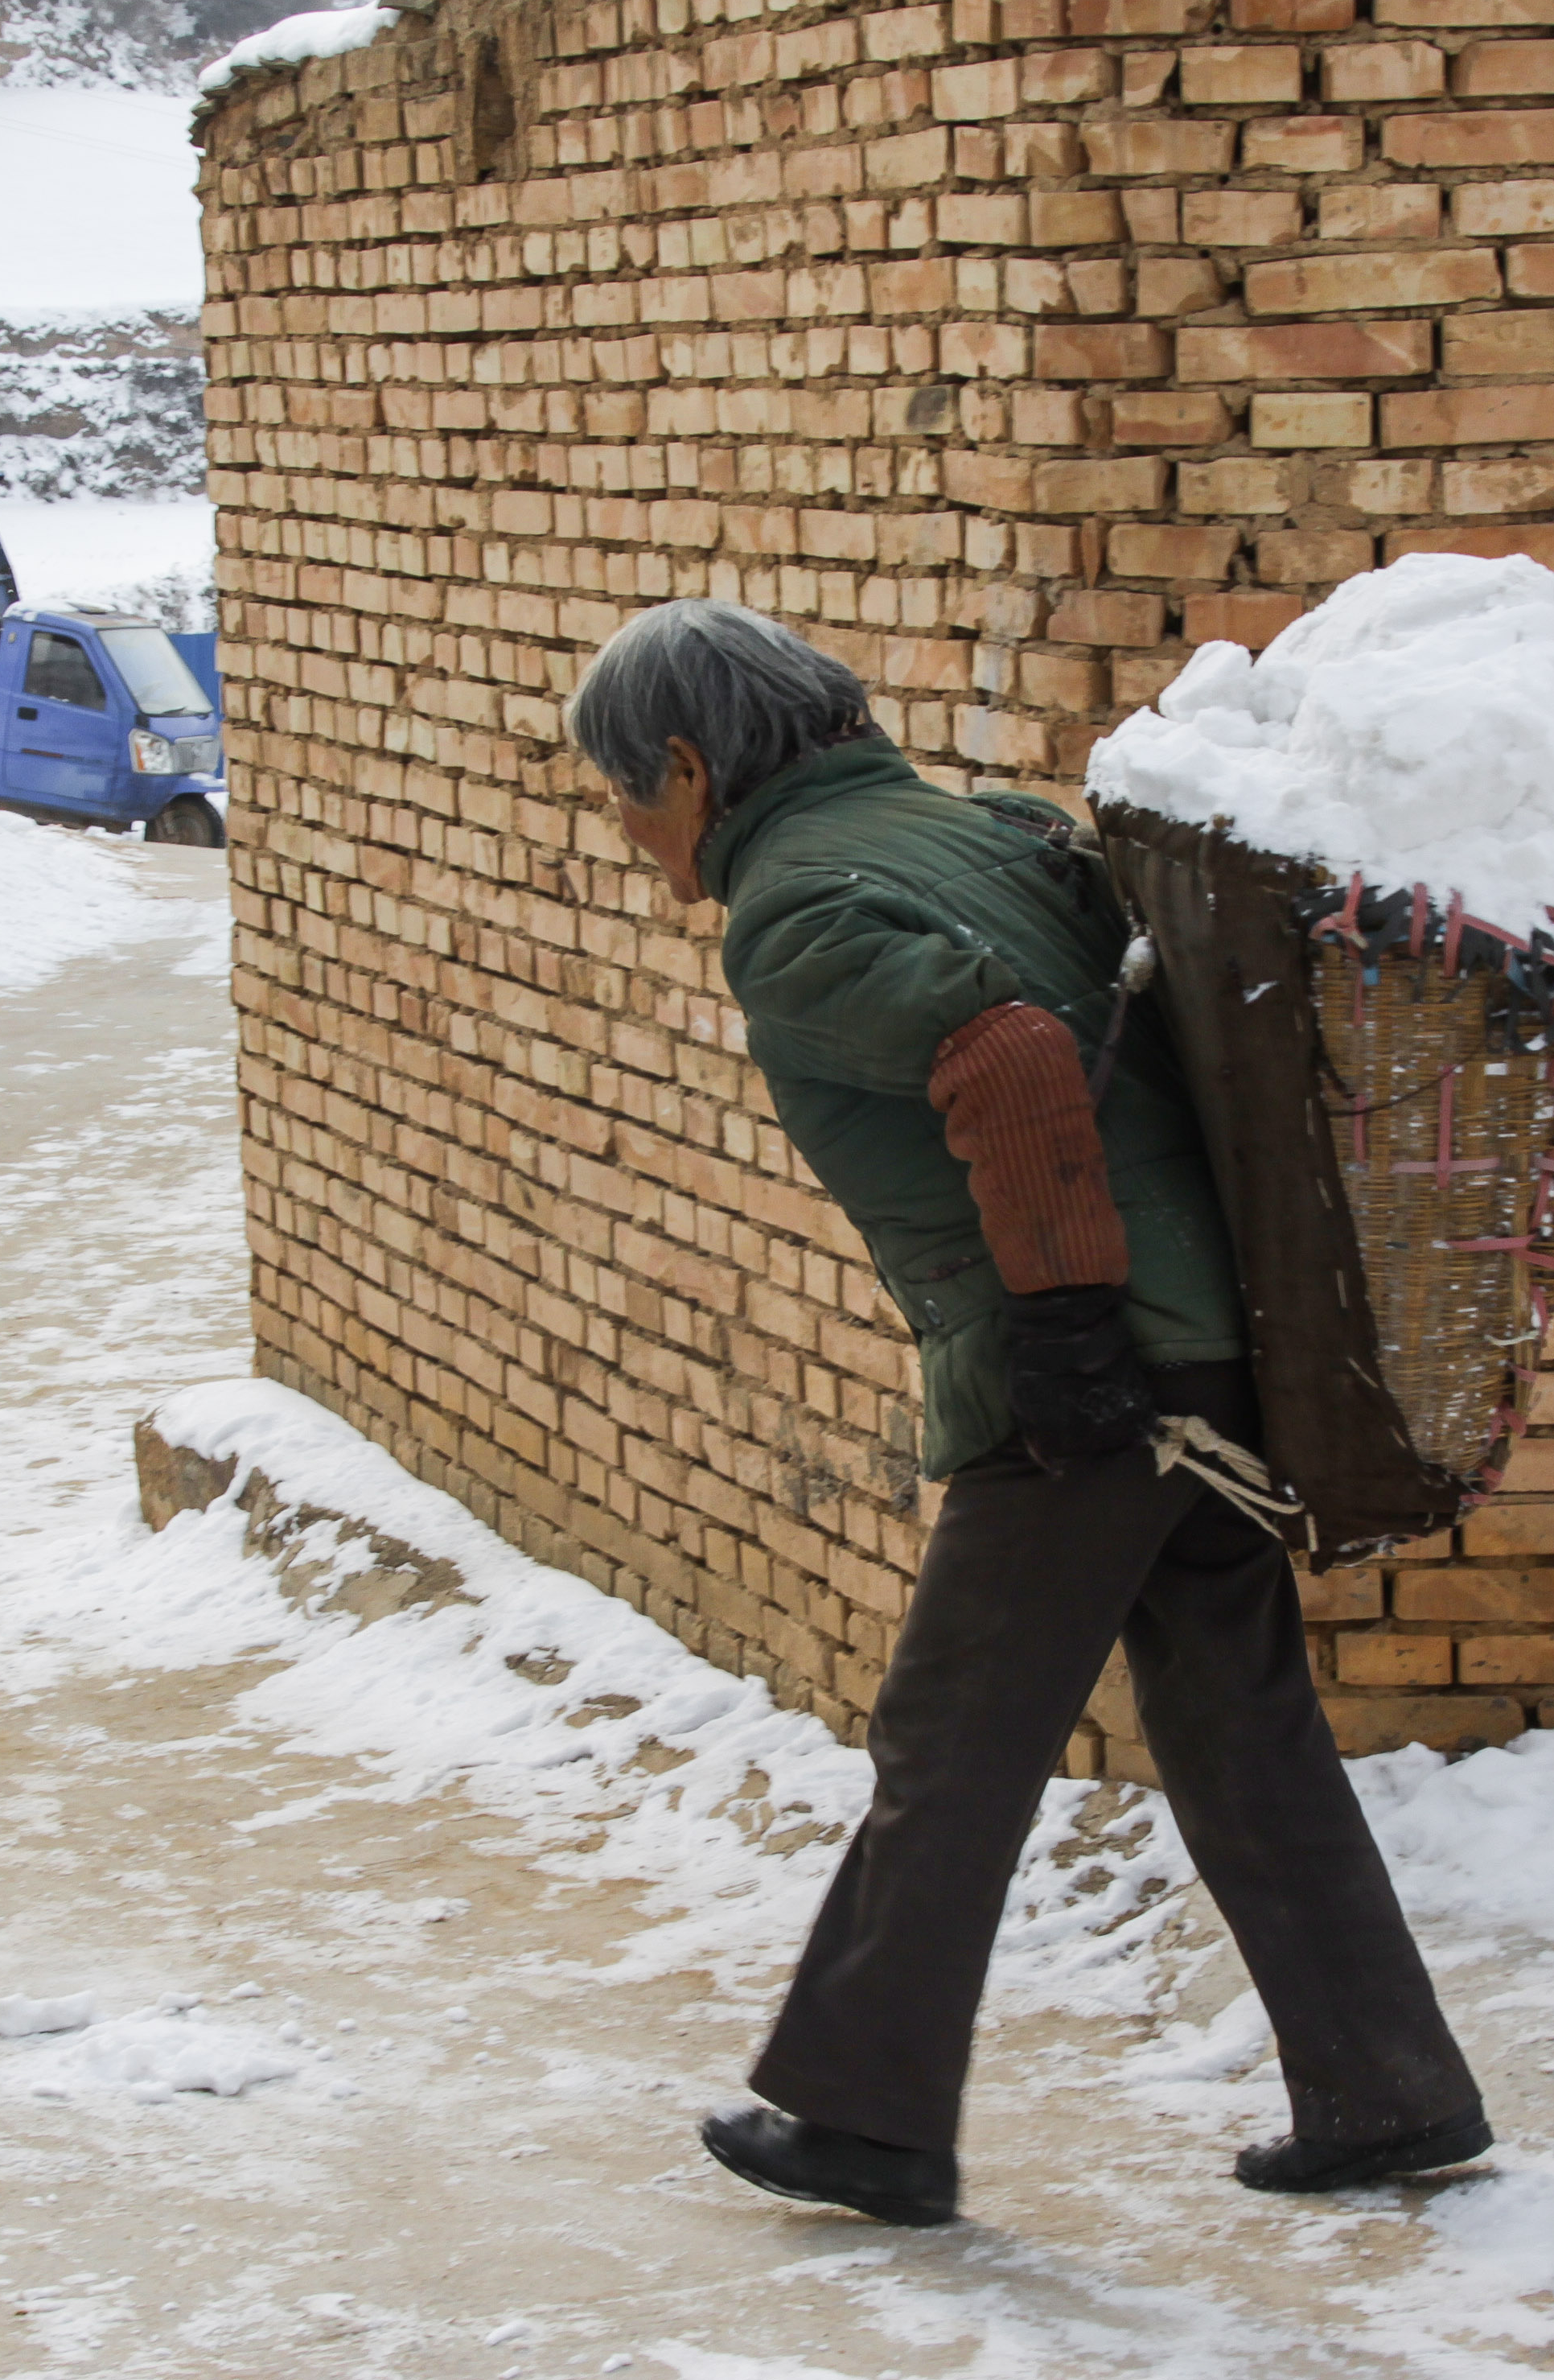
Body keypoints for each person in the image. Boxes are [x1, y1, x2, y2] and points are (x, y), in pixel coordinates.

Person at [561, 598, 1487, 2228]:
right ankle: (1385, 2091)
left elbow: (1006, 1062)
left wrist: (1062, 1334)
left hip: (1090, 1374)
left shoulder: (796, 905)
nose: (631, 835)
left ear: (692, 771)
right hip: (1206, 1344)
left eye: (625, 798)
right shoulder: (981, 830)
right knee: (1234, 1722)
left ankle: (864, 2118)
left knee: (952, 1738)